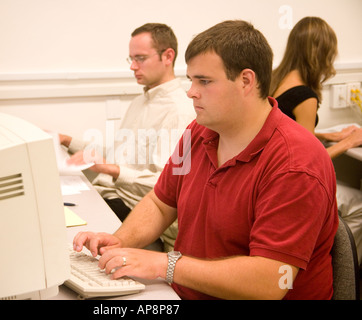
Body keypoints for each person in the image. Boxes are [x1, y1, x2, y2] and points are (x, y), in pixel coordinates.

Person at [72, 20, 339, 300]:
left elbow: (271, 282)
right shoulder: (201, 131)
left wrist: (165, 264)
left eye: (205, 81)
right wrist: (120, 241)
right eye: (191, 80)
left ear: (246, 81)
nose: (191, 92)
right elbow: (161, 203)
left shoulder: (295, 163)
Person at [59, 23, 194, 248]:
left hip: (136, 212)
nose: (133, 66)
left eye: (140, 58)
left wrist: (110, 169)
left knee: (66, 240)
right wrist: (67, 140)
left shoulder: (180, 112)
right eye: (130, 58)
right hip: (112, 197)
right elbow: (118, 154)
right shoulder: (140, 102)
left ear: (168, 56)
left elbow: (167, 186)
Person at [270, 16, 362, 159]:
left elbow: (287, 134)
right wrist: (349, 142)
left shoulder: (276, 80)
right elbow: (308, 160)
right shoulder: (304, 96)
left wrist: (329, 135)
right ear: (322, 55)